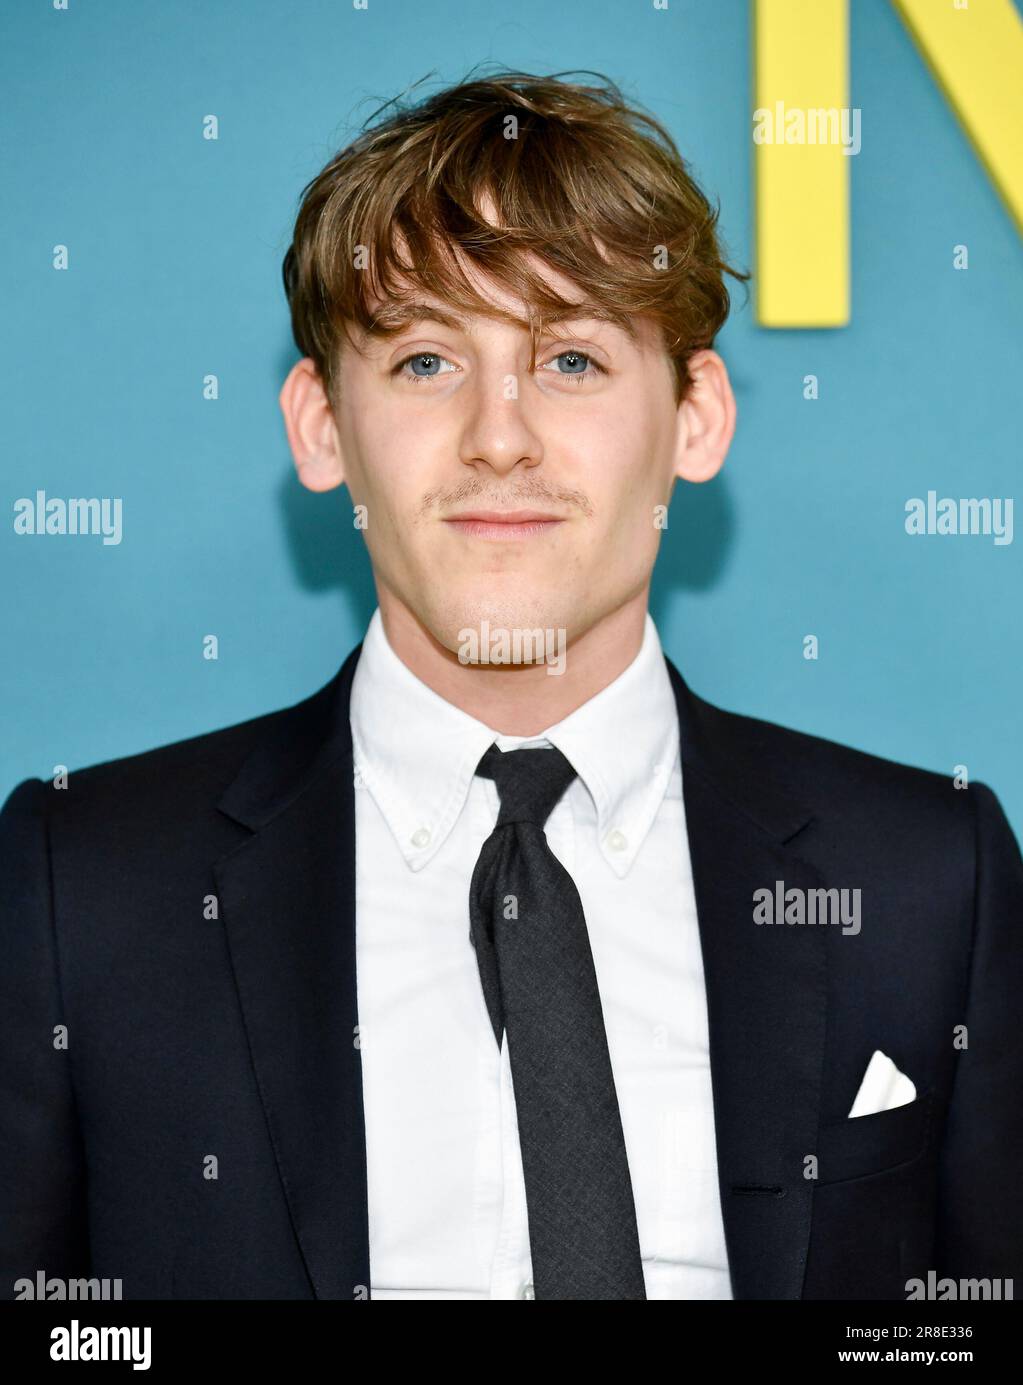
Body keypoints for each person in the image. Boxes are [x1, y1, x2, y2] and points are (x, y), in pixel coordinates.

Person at [2, 70, 1020, 1302]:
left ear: (696, 417)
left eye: (572, 359)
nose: (500, 435)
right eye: (428, 360)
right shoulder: (81, 888)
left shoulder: (928, 881)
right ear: (320, 426)